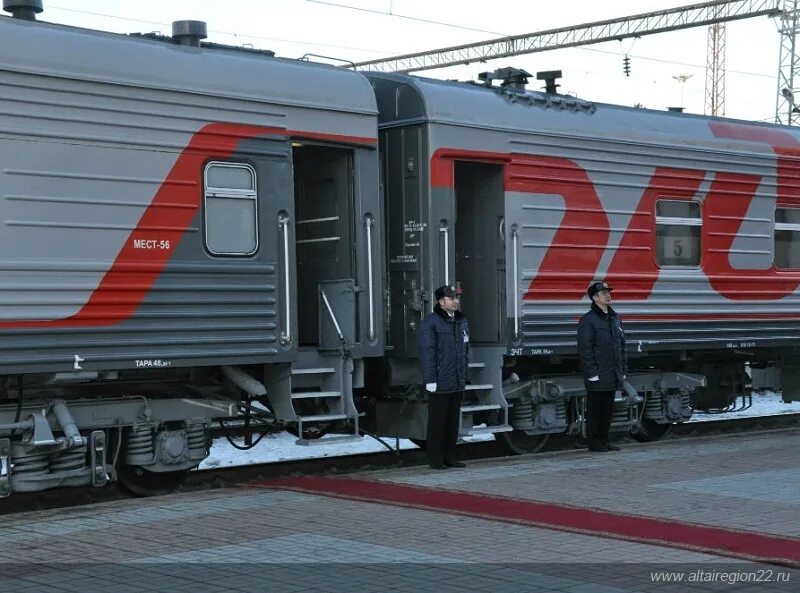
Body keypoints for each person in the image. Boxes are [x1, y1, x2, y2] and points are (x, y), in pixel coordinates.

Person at [419, 284, 469, 469]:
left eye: (456, 298)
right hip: (439, 381)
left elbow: (465, 351)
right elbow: (427, 353)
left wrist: (463, 376)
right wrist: (430, 380)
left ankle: (450, 456)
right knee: (437, 422)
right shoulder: (431, 323)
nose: (456, 301)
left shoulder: (461, 321)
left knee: (452, 421)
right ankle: (435, 459)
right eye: (451, 298)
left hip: (456, 380)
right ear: (441, 302)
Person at [577, 281, 627, 452]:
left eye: (608, 292)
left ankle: (604, 440)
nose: (608, 295)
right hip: (598, 374)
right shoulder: (588, 320)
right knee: (595, 410)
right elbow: (585, 349)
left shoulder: (615, 318)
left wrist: (622, 371)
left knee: (607, 410)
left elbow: (621, 346)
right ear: (594, 297)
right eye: (603, 293)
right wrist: (592, 373)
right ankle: (594, 442)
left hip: (612, 373)